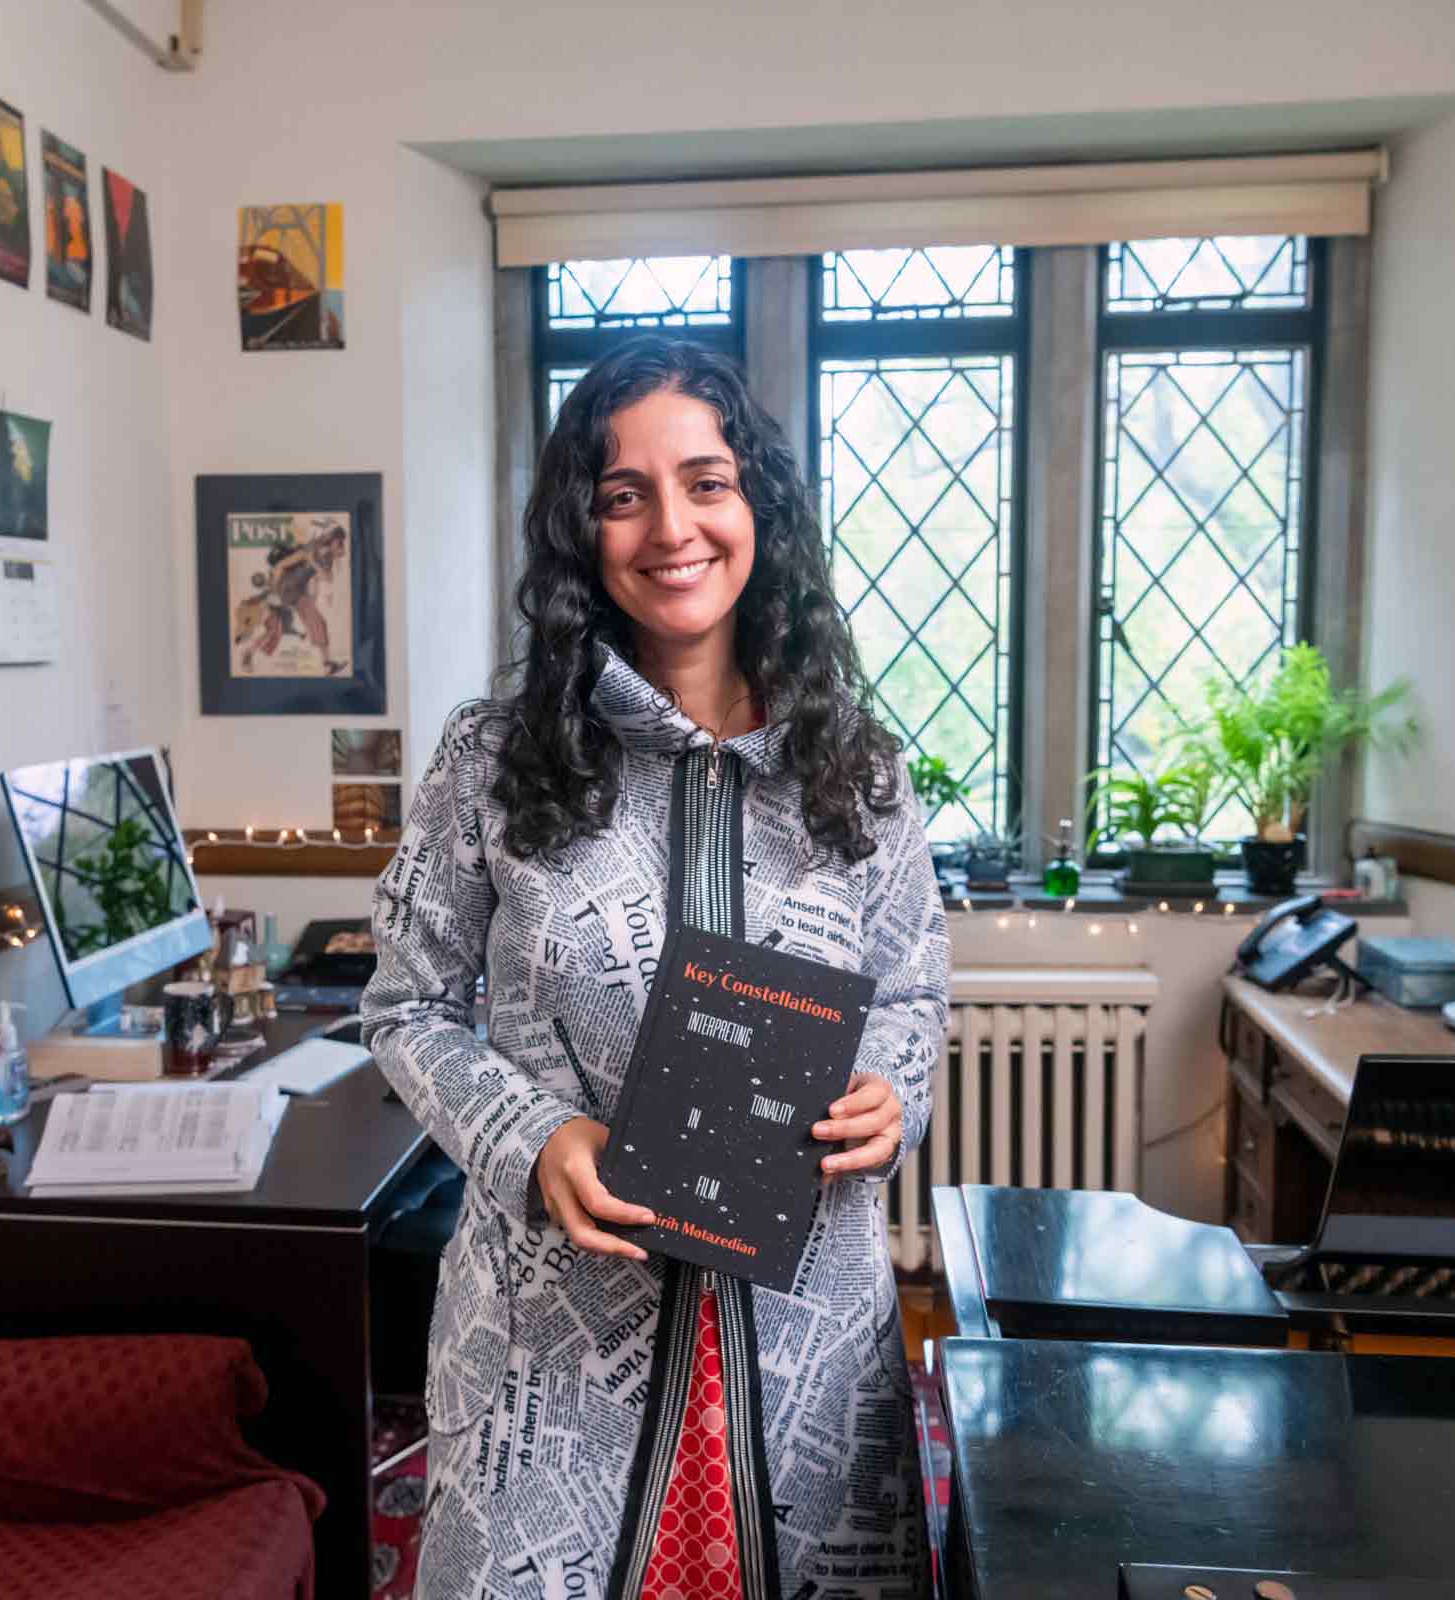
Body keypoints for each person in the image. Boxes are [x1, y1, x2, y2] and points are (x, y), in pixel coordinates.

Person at [363, 335, 949, 1600]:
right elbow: (407, 1005)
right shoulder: (489, 757)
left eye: (707, 481)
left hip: (801, 1343)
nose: (671, 527)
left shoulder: (860, 765)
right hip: (551, 1340)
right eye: (623, 495)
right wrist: (532, 1136)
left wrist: (891, 1090)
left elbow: (909, 996)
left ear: (759, 507)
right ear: (583, 531)